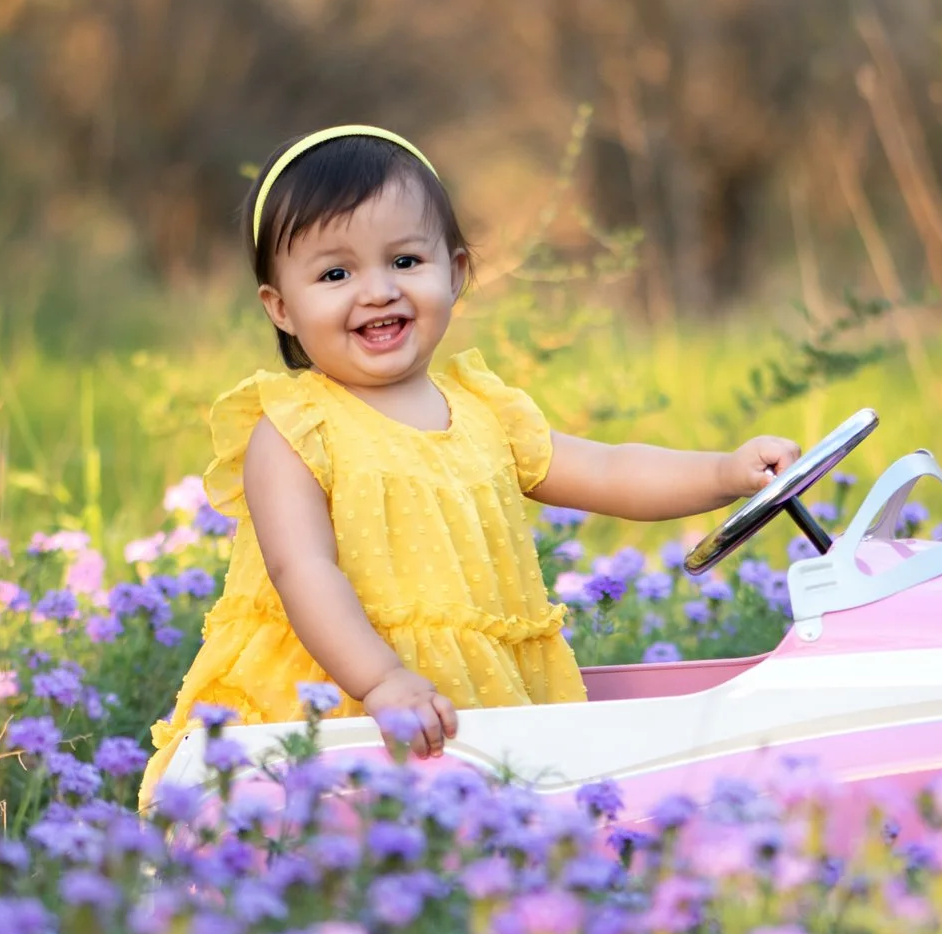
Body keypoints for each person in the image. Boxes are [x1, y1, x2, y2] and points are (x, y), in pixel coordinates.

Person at [138, 125, 798, 804]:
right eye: (335, 273)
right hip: (342, 702)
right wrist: (379, 679)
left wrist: (724, 472)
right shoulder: (294, 430)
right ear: (281, 308)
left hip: (477, 697)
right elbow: (301, 568)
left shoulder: (485, 410)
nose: (377, 291)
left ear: (455, 272)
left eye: (404, 261)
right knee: (346, 853)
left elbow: (607, 470)